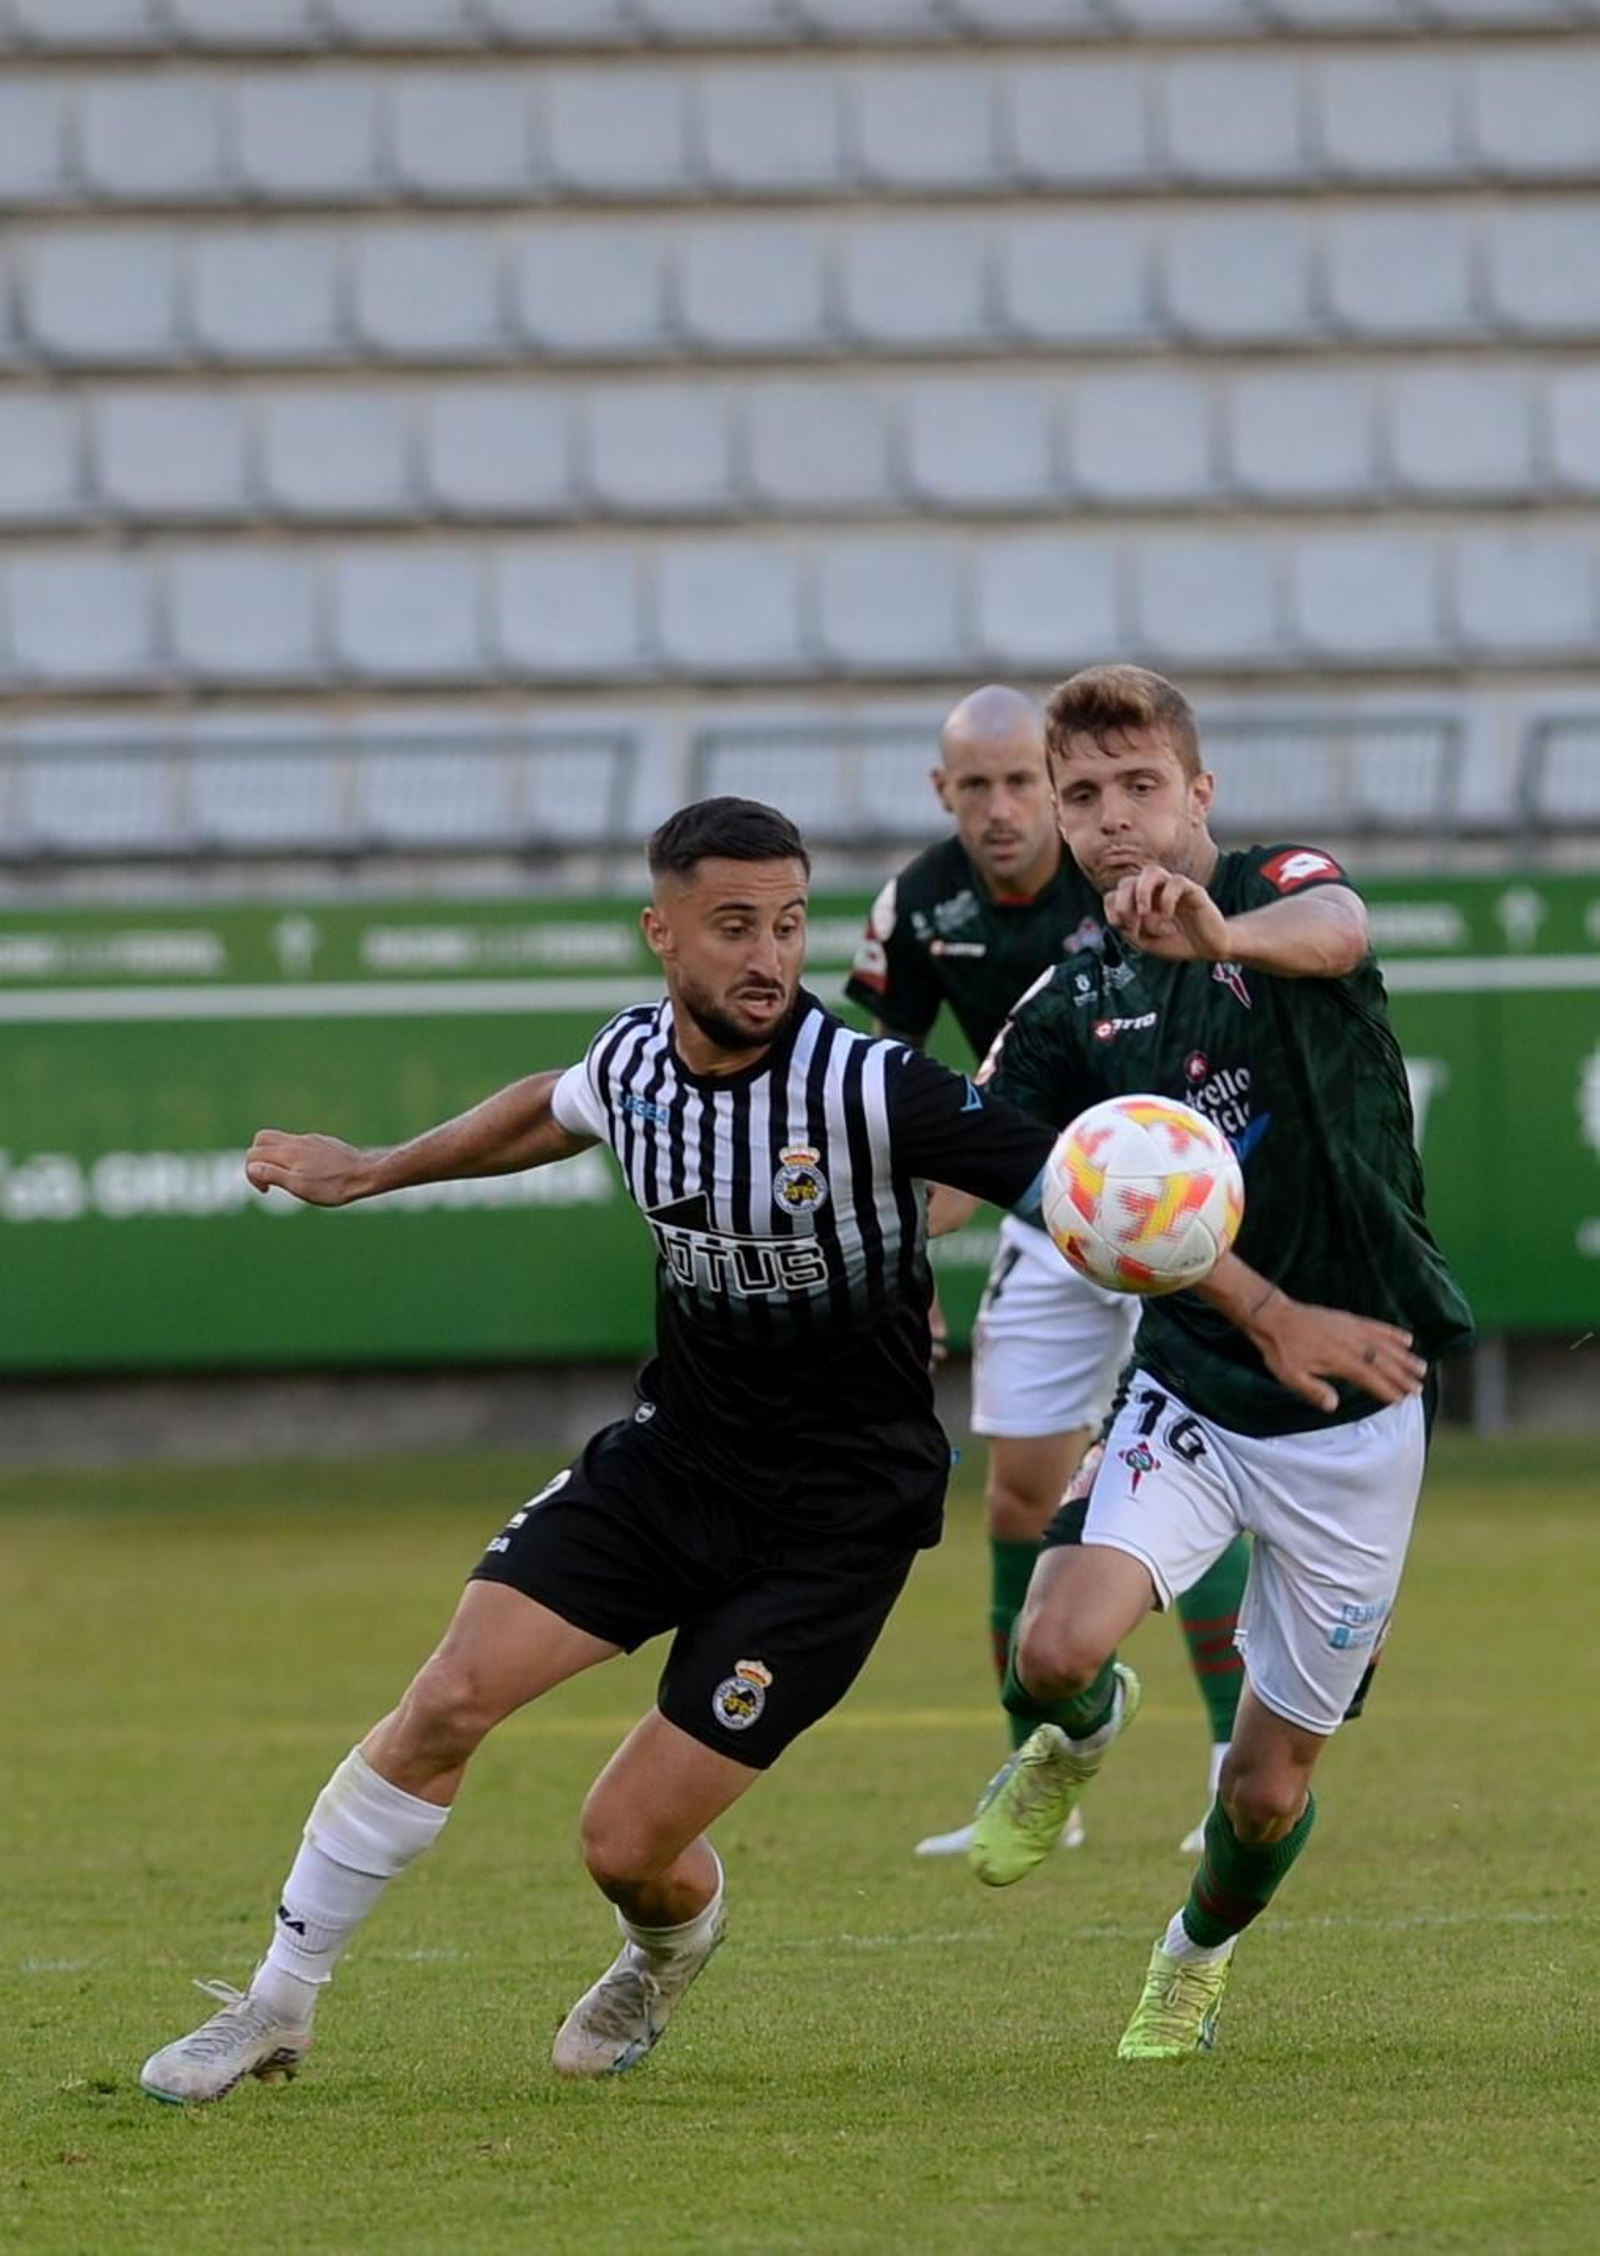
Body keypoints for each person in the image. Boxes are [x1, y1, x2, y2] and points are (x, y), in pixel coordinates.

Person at [138, 796, 1067, 2105]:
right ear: (661, 933)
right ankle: (275, 2008)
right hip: (672, 1464)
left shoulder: (867, 1083)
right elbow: (550, 1107)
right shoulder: (636, 1066)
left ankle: (667, 1942)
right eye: (733, 926)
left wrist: (1252, 1299)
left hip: (836, 1521)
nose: (768, 957)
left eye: (789, 926)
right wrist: (369, 1170)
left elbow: (1064, 1183)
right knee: (449, 1696)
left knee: (624, 1842)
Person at [949, 665, 1474, 2061]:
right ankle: (1083, 1725)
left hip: (1362, 1412)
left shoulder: (1274, 886)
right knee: (1051, 1647)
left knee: (1261, 1791)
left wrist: (1222, 928)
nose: (1114, 820)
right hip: (1191, 1382)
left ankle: (1191, 1958)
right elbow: (988, 1148)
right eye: (1085, 798)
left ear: (1199, 792)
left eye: (1140, 788)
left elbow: (1340, 926)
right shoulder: (1073, 998)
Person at [844, 684, 1249, 1860]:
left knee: (1190, 1475)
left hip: (1176, 1210)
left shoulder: (1130, 864)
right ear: (943, 793)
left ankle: (1231, 1754)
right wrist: (894, 1250)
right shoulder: (920, 904)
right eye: (977, 785)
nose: (1006, 806)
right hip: (1043, 1206)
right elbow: (887, 1087)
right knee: (1020, 1491)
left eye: (1026, 780)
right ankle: (1042, 1761)